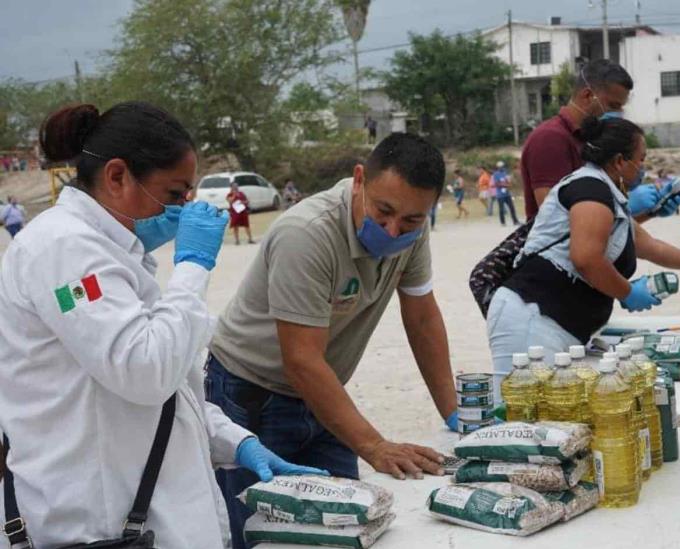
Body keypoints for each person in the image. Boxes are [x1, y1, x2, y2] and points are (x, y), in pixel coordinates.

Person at [0, 102, 324, 549]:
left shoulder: (115, 254)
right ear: (117, 177)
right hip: (98, 520)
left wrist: (237, 442)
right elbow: (145, 370)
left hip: (148, 514)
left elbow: (170, 394)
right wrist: (192, 268)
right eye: (174, 195)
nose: (182, 209)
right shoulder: (62, 248)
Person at [207, 133, 459, 549]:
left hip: (323, 394)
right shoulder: (306, 234)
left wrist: (455, 415)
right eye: (383, 211)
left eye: (412, 220)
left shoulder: (412, 231)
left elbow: (422, 317)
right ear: (359, 180)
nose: (393, 229)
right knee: (261, 533)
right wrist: (374, 445)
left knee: (346, 528)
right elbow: (301, 359)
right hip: (250, 393)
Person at [488, 117, 680, 399]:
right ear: (619, 161)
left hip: (561, 325)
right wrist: (628, 292)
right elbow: (586, 258)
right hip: (534, 319)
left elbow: (649, 245)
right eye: (640, 160)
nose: (643, 168)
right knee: (525, 415)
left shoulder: (608, 196)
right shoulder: (591, 190)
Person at [520, 59, 680, 222]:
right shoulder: (550, 139)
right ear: (588, 95)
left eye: (621, 107)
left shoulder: (592, 139)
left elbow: (608, 229)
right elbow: (556, 220)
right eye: (613, 105)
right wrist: (618, 205)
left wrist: (651, 211)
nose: (618, 113)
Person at [492, 161, 520, 227]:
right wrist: (505, 185)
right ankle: (503, 222)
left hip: (507, 194)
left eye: (502, 166)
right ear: (498, 167)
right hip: (500, 195)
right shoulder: (496, 174)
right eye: (500, 167)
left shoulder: (505, 173)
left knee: (512, 208)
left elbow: (508, 181)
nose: (501, 168)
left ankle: (515, 221)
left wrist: (509, 183)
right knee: (501, 209)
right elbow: (496, 184)